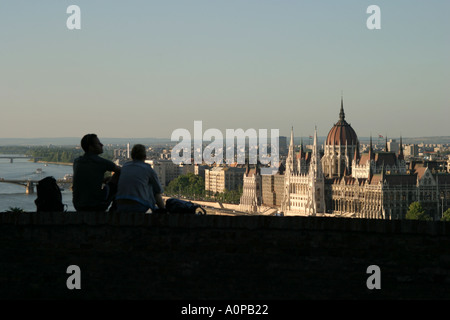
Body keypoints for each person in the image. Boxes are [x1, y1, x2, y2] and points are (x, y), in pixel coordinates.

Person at [72, 133, 121, 212]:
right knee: (118, 175)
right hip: (96, 206)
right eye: (98, 144)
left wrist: (102, 179)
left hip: (78, 206)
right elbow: (122, 171)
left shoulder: (77, 161)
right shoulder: (101, 162)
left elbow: (86, 180)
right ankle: (115, 210)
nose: (102, 145)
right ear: (91, 147)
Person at [115, 144, 165, 213]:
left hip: (120, 204)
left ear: (131, 156)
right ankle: (163, 210)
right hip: (138, 205)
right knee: (152, 187)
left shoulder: (125, 166)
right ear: (145, 156)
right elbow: (158, 190)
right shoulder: (148, 169)